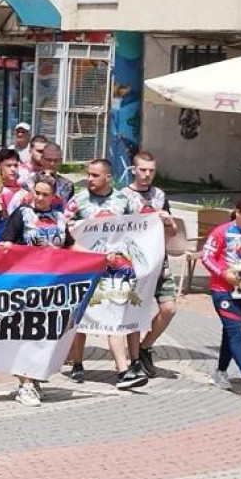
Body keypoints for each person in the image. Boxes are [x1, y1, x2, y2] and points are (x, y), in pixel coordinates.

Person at [65, 158, 144, 390]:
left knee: (114, 316)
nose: (89, 179)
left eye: (95, 175)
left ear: (108, 177)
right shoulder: (78, 200)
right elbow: (64, 227)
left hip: (114, 271)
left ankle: (124, 371)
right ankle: (77, 363)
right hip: (83, 269)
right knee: (82, 318)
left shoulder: (124, 201)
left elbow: (139, 227)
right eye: (88, 174)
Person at [0, 174, 73, 407]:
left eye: (45, 194)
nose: (40, 198)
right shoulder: (21, 214)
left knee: (45, 334)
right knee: (27, 334)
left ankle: (35, 377)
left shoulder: (60, 217)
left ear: (54, 197)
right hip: (27, 284)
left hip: (54, 286)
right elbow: (7, 242)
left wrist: (99, 258)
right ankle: (25, 384)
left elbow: (70, 245)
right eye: (37, 193)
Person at [121, 150, 177, 377]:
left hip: (160, 262)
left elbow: (173, 232)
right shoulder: (123, 196)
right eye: (142, 170)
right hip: (135, 264)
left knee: (169, 309)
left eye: (151, 170)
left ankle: (146, 346)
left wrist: (169, 221)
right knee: (134, 313)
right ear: (134, 170)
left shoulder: (160, 195)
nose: (146, 175)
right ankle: (134, 359)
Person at [201, 198, 241, 392]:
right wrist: (224, 273)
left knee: (230, 331)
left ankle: (220, 372)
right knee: (236, 332)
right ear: (238, 212)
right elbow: (206, 257)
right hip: (223, 291)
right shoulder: (222, 231)